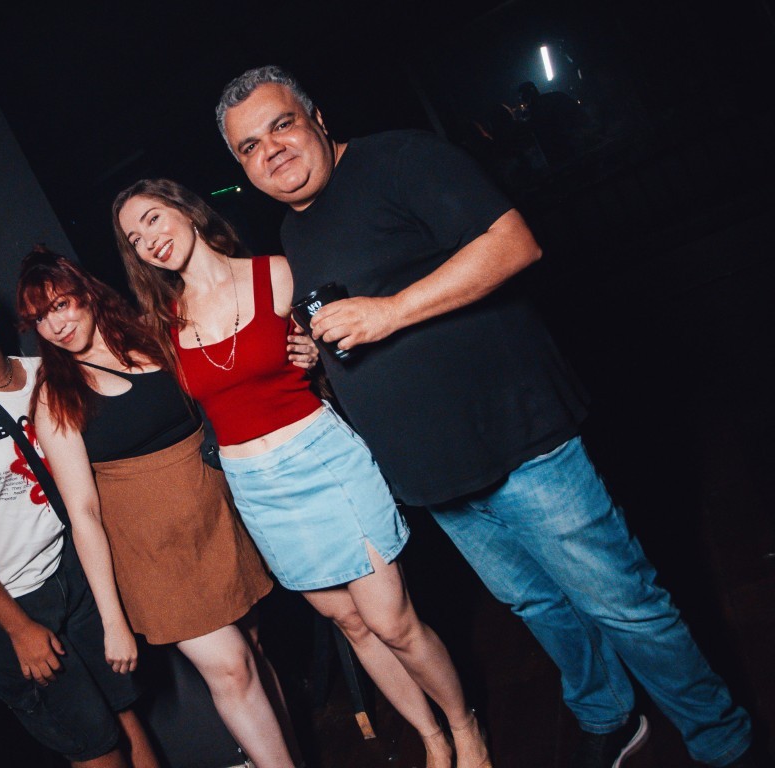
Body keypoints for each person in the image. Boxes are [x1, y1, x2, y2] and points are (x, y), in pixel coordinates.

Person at [215, 64, 758, 768]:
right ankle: (609, 714)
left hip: (521, 442)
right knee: (537, 607)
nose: (272, 150)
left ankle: (722, 738)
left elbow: (513, 244)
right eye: (250, 147)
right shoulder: (294, 233)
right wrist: (317, 353)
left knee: (623, 601)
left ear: (316, 118)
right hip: (435, 475)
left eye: (281, 125)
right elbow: (360, 321)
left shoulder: (401, 159)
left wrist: (390, 312)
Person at [113, 179, 493, 768]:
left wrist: (318, 357)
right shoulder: (161, 323)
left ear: (186, 211)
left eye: (154, 219)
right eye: (134, 238)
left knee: (391, 621)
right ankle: (432, 738)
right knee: (351, 624)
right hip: (256, 486)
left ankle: (465, 727)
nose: (149, 241)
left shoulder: (277, 274)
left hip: (321, 457)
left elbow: (348, 349)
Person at [16, 248, 301, 768]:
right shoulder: (57, 397)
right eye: (40, 318)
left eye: (61, 305)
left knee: (255, 653)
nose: (55, 325)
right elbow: (83, 514)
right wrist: (113, 620)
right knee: (232, 668)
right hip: (154, 559)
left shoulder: (153, 338)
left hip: (219, 523)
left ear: (87, 294)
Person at [0, 272, 159, 768]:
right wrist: (18, 629)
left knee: (124, 713)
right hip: (3, 600)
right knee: (94, 743)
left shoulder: (47, 371)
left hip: (65, 570)